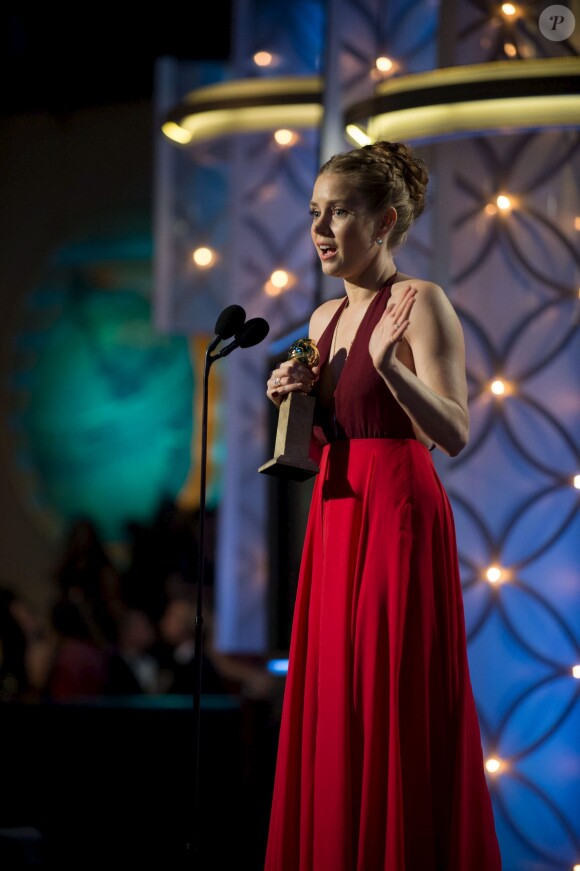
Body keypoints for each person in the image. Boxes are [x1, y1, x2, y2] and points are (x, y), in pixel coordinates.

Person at [263, 141, 502, 870]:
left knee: (389, 699)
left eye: (340, 212)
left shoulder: (421, 301)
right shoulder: (322, 317)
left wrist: (393, 372)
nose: (321, 228)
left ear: (386, 219)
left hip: (396, 515)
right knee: (335, 705)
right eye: (315, 212)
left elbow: (454, 430)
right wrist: (293, 395)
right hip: (335, 519)